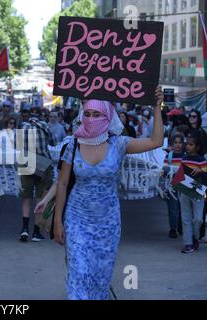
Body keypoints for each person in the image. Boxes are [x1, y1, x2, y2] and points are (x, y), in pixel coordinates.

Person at [53, 87, 164, 300]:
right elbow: (63, 183)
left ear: (108, 116)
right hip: (77, 220)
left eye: (97, 114)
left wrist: (156, 108)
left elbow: (155, 141)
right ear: (81, 114)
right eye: (88, 113)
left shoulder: (119, 144)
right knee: (79, 273)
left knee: (100, 278)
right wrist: (58, 221)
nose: (92, 118)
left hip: (107, 224)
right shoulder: (72, 144)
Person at [19, 106, 57, 242]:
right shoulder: (44, 126)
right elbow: (52, 142)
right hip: (43, 165)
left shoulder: (22, 127)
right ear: (41, 116)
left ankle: (24, 229)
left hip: (26, 162)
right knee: (41, 198)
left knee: (26, 197)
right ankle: (36, 231)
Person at [179, 133, 207, 254]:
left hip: (198, 192)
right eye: (187, 144)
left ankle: (195, 237)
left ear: (197, 147)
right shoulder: (184, 158)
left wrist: (200, 170)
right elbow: (180, 173)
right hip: (184, 190)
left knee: (198, 219)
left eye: (191, 144)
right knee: (185, 218)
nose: (188, 146)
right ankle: (188, 243)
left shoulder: (202, 160)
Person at [163, 133, 185, 238]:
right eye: (175, 142)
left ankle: (181, 226)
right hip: (171, 186)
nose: (177, 145)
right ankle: (173, 228)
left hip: (183, 186)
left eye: (180, 142)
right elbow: (165, 170)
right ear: (172, 144)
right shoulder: (169, 156)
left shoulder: (185, 156)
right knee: (173, 208)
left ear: (183, 144)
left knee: (183, 207)